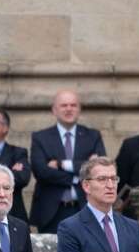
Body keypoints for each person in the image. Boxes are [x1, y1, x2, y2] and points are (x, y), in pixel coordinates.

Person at [30, 90, 106, 234]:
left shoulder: (93, 136)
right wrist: (80, 175)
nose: (69, 109)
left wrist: (62, 165)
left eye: (73, 105)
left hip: (85, 208)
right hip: (52, 213)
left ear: (79, 109)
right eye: (64, 105)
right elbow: (41, 172)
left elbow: (99, 169)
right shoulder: (40, 137)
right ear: (54, 110)